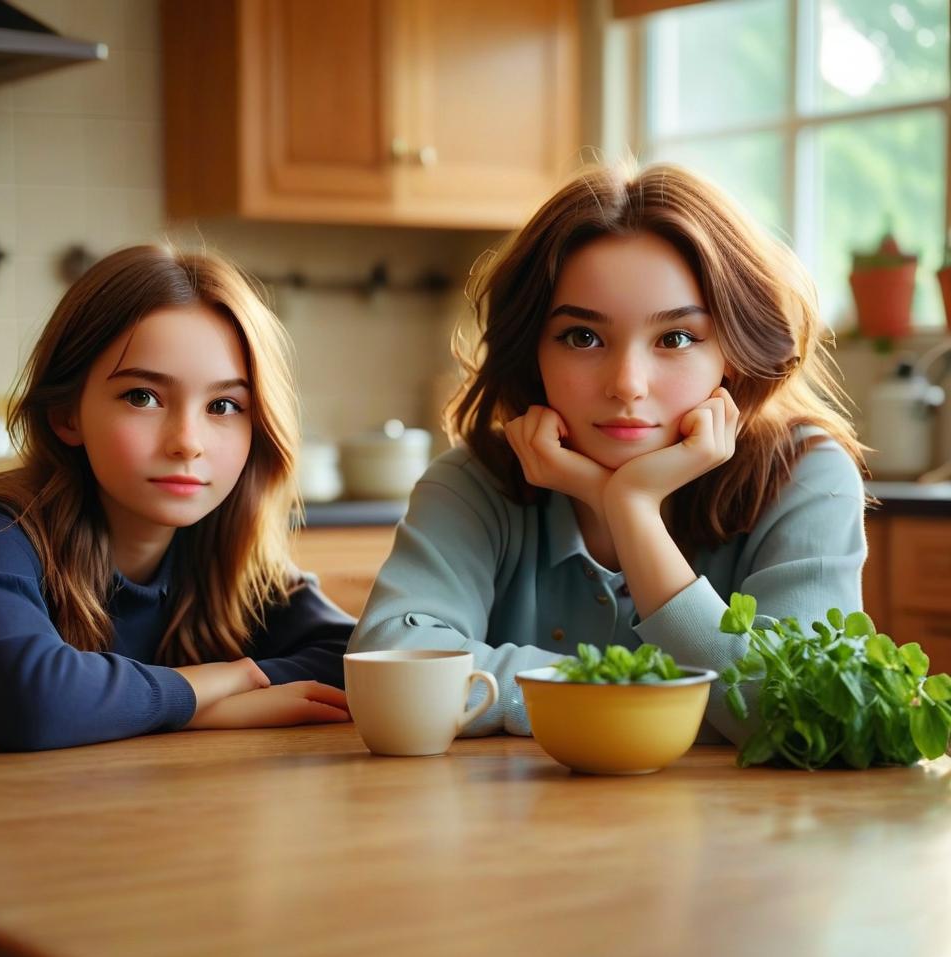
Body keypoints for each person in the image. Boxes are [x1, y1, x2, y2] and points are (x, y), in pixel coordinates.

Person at [0, 244, 355, 957]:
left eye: (225, 406)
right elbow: (35, 700)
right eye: (143, 397)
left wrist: (206, 704)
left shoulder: (225, 556)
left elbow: (356, 658)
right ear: (66, 415)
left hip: (165, 911)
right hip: (12, 956)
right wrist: (218, 685)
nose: (189, 440)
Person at [349, 160, 867, 743]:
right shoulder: (474, 482)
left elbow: (804, 710)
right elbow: (392, 654)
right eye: (583, 337)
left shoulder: (806, 476)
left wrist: (629, 511)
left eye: (675, 339)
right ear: (532, 352)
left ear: (733, 350)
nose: (627, 384)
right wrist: (628, 688)